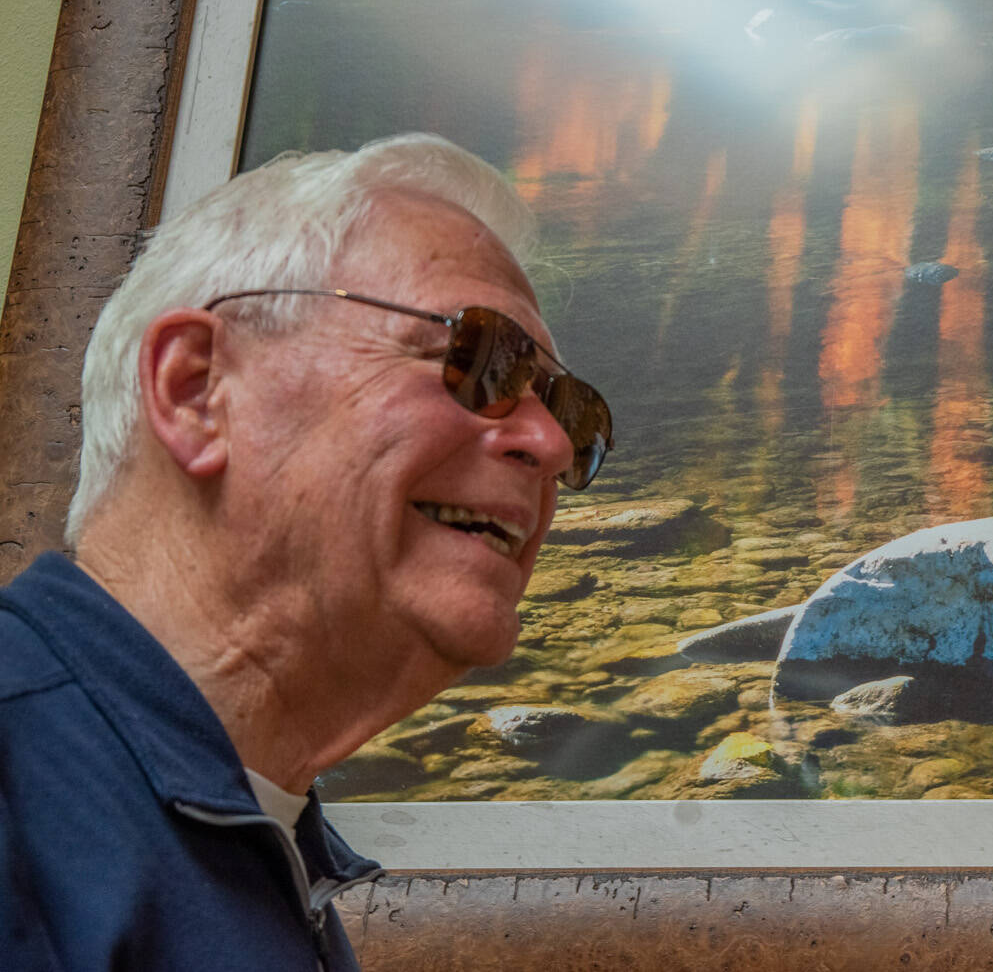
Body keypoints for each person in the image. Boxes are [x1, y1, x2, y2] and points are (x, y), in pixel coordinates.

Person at [0, 134, 612, 969]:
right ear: (195, 391)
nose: (548, 444)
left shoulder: (259, 841)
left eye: (572, 415)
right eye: (471, 357)